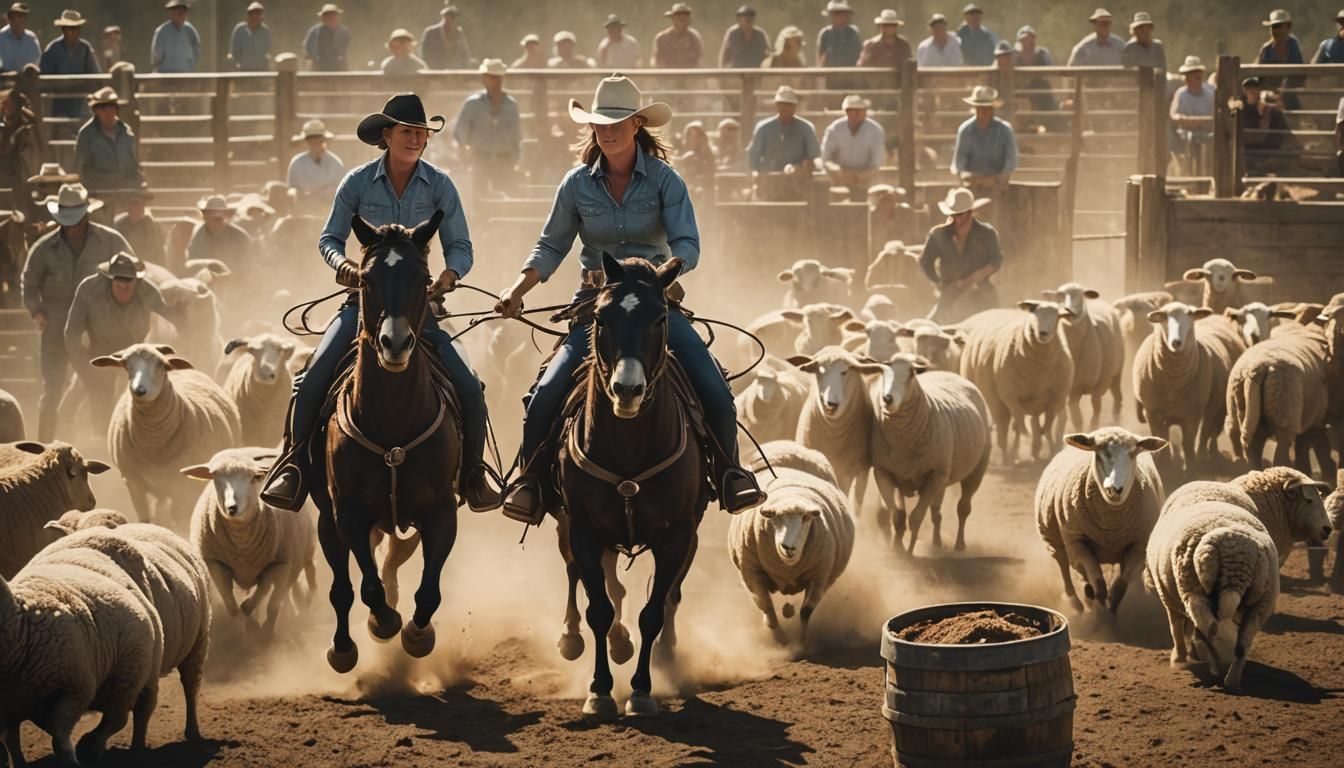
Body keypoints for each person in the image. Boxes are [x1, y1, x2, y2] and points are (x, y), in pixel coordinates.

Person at [493, 74, 766, 523]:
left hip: (653, 303)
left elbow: (688, 244)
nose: (607, 130)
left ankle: (731, 473)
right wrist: (517, 289)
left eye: (617, 121)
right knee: (545, 392)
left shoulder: (665, 181)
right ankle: (531, 481)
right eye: (600, 122)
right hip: (597, 305)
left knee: (714, 386)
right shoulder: (576, 184)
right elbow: (551, 246)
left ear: (637, 124)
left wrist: (667, 273)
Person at [261, 92, 498, 514]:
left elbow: (460, 245)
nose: (415, 139)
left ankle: (474, 474)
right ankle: (294, 463)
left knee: (469, 385)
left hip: (419, 309)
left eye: (422, 134)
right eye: (407, 132)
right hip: (362, 307)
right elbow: (329, 239)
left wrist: (449, 274)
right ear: (387, 135)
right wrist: (345, 266)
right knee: (311, 378)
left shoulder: (441, 185)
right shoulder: (356, 182)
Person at [21, 183, 132, 441]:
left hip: (99, 328)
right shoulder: (44, 248)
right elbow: (29, 280)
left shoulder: (111, 241)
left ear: (85, 214)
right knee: (53, 389)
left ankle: (105, 445)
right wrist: (36, 311)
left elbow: (131, 271)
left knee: (101, 387)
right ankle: (45, 446)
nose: (71, 226)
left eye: (75, 219)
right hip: (56, 327)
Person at [64, 251, 172, 429]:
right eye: (118, 284)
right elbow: (71, 333)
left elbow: (172, 316)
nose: (123, 288)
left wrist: (183, 317)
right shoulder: (89, 290)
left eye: (128, 285)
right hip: (97, 354)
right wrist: (86, 371)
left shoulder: (148, 291)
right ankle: (64, 436)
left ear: (137, 282)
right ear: (110, 279)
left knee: (137, 402)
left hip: (133, 358)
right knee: (76, 401)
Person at [919, 187, 1002, 324]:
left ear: (969, 213)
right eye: (953, 214)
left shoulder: (987, 233)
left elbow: (996, 260)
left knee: (993, 324)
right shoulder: (939, 234)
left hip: (981, 289)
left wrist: (973, 278)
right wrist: (938, 282)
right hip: (951, 288)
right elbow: (925, 261)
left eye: (958, 214)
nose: (953, 218)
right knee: (933, 324)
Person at [453, 59, 522, 196]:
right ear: (484, 79)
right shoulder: (473, 104)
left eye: (497, 78)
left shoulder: (511, 105)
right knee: (480, 198)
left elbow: (516, 136)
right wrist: (464, 149)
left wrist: (516, 161)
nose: (494, 81)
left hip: (504, 160)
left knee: (504, 198)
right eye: (490, 77)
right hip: (480, 159)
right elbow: (461, 131)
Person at [74, 87, 143, 195]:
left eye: (111, 108)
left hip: (127, 191)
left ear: (116, 110)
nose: (108, 113)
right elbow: (83, 171)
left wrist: (138, 185)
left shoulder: (126, 132)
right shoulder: (86, 135)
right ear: (96, 110)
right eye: (103, 109)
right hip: (99, 192)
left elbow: (134, 166)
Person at [951, 85, 1017, 195]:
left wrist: (998, 179)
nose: (983, 113)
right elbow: (959, 163)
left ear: (992, 110)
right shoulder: (965, 130)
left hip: (998, 185)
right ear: (974, 109)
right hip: (972, 184)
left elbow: (1011, 162)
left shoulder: (1005, 130)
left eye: (987, 109)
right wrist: (967, 177)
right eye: (980, 108)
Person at [822, 94, 884, 201]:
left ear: (865, 112)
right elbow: (825, 157)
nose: (854, 114)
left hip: (866, 180)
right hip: (840, 179)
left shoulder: (876, 131)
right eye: (850, 111)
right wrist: (836, 171)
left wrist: (859, 176)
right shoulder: (834, 129)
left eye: (858, 111)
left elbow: (876, 162)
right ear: (845, 112)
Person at [748, 85, 821, 174]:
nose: (784, 108)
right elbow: (753, 156)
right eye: (781, 104)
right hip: (769, 177)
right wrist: (756, 173)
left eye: (788, 104)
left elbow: (813, 156)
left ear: (795, 107)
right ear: (776, 106)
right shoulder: (763, 128)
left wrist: (802, 167)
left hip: (797, 178)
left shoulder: (806, 128)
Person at [40, 10, 99, 118]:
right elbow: (44, 79)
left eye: (75, 28)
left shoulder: (85, 49)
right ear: (63, 29)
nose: (72, 32)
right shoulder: (53, 49)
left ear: (79, 30)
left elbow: (96, 76)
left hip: (81, 105)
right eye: (69, 28)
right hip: (59, 104)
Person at [1240, 76, 1297, 175]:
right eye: (1249, 88)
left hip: (1268, 150)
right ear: (1244, 91)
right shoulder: (1240, 110)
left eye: (1255, 88)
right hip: (1248, 151)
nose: (1253, 91)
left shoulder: (1270, 110)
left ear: (1259, 90)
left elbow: (1284, 133)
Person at [1170, 56, 1214, 172]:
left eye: (1198, 76)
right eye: (1192, 75)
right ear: (1186, 78)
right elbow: (1173, 115)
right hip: (1185, 134)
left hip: (1207, 133)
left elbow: (1215, 115)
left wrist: (1199, 121)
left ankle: (1210, 172)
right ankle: (1184, 171)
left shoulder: (1210, 93)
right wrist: (1186, 120)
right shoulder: (1181, 94)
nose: (1196, 79)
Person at [286, 118, 345, 202]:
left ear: (324, 140)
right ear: (307, 142)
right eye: (312, 141)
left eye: (319, 140)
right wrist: (295, 194)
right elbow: (291, 188)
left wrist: (331, 191)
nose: (316, 143)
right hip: (303, 207)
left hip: (329, 208)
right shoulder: (296, 163)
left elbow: (343, 190)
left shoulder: (335, 163)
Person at [1257, 9, 1305, 111]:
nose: (1275, 31)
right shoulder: (1266, 50)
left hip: (1289, 93)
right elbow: (1260, 78)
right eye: (1273, 27)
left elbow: (1298, 72)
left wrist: (1283, 92)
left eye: (1278, 26)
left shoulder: (1293, 45)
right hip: (1270, 94)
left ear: (1288, 28)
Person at [0, 87, 40, 190]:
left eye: (6, 103)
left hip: (17, 175)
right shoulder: (3, 126)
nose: (3, 106)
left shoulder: (25, 127)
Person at [113, 186, 164, 265]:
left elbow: (158, 253)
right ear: (128, 205)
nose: (140, 207)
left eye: (143, 203)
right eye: (135, 203)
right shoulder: (119, 224)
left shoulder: (151, 225)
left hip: (148, 266)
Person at [1014, 26, 1056, 117]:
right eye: (1024, 40)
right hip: (1020, 98)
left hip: (1041, 98)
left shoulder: (1043, 55)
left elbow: (1053, 77)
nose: (1028, 43)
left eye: (1031, 40)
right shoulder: (1013, 57)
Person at [152, 0, 201, 74]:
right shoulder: (161, 31)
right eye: (177, 12)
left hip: (186, 75)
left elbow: (197, 51)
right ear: (171, 14)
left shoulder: (190, 30)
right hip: (166, 75)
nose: (181, 15)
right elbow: (156, 56)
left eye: (183, 12)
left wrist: (191, 67)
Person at [420, 4, 473, 70]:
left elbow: (465, 52)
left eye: (453, 17)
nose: (451, 19)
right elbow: (425, 53)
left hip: (455, 70)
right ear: (443, 17)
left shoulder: (458, 32)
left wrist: (465, 67)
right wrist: (430, 67)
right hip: (435, 70)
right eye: (449, 17)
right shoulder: (431, 32)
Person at [653, 3, 703, 68]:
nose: (684, 20)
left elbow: (699, 61)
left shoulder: (694, 37)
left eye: (686, 17)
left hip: (689, 76)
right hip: (667, 76)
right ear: (673, 19)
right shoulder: (662, 38)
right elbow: (656, 61)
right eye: (680, 17)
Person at [304, 4, 350, 72]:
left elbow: (345, 47)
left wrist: (341, 57)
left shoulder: (344, 32)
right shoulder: (314, 31)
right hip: (319, 65)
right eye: (327, 15)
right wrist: (313, 59)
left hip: (339, 65)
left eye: (333, 15)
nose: (330, 18)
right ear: (323, 18)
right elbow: (307, 47)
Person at [676, 119, 717, 193]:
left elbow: (711, 171)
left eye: (698, 134)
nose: (694, 138)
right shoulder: (681, 150)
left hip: (704, 186)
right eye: (689, 134)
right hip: (686, 185)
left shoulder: (710, 152)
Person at [230, 2, 271, 72]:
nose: (256, 17)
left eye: (259, 14)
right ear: (248, 16)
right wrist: (239, 64)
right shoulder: (239, 30)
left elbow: (269, 51)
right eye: (254, 14)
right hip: (242, 71)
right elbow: (234, 51)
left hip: (261, 71)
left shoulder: (265, 31)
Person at [0, 3, 40, 73]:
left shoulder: (31, 39)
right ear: (10, 19)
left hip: (25, 81)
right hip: (3, 80)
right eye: (17, 16)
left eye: (23, 16)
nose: (20, 20)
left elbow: (35, 63)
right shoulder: (1, 37)